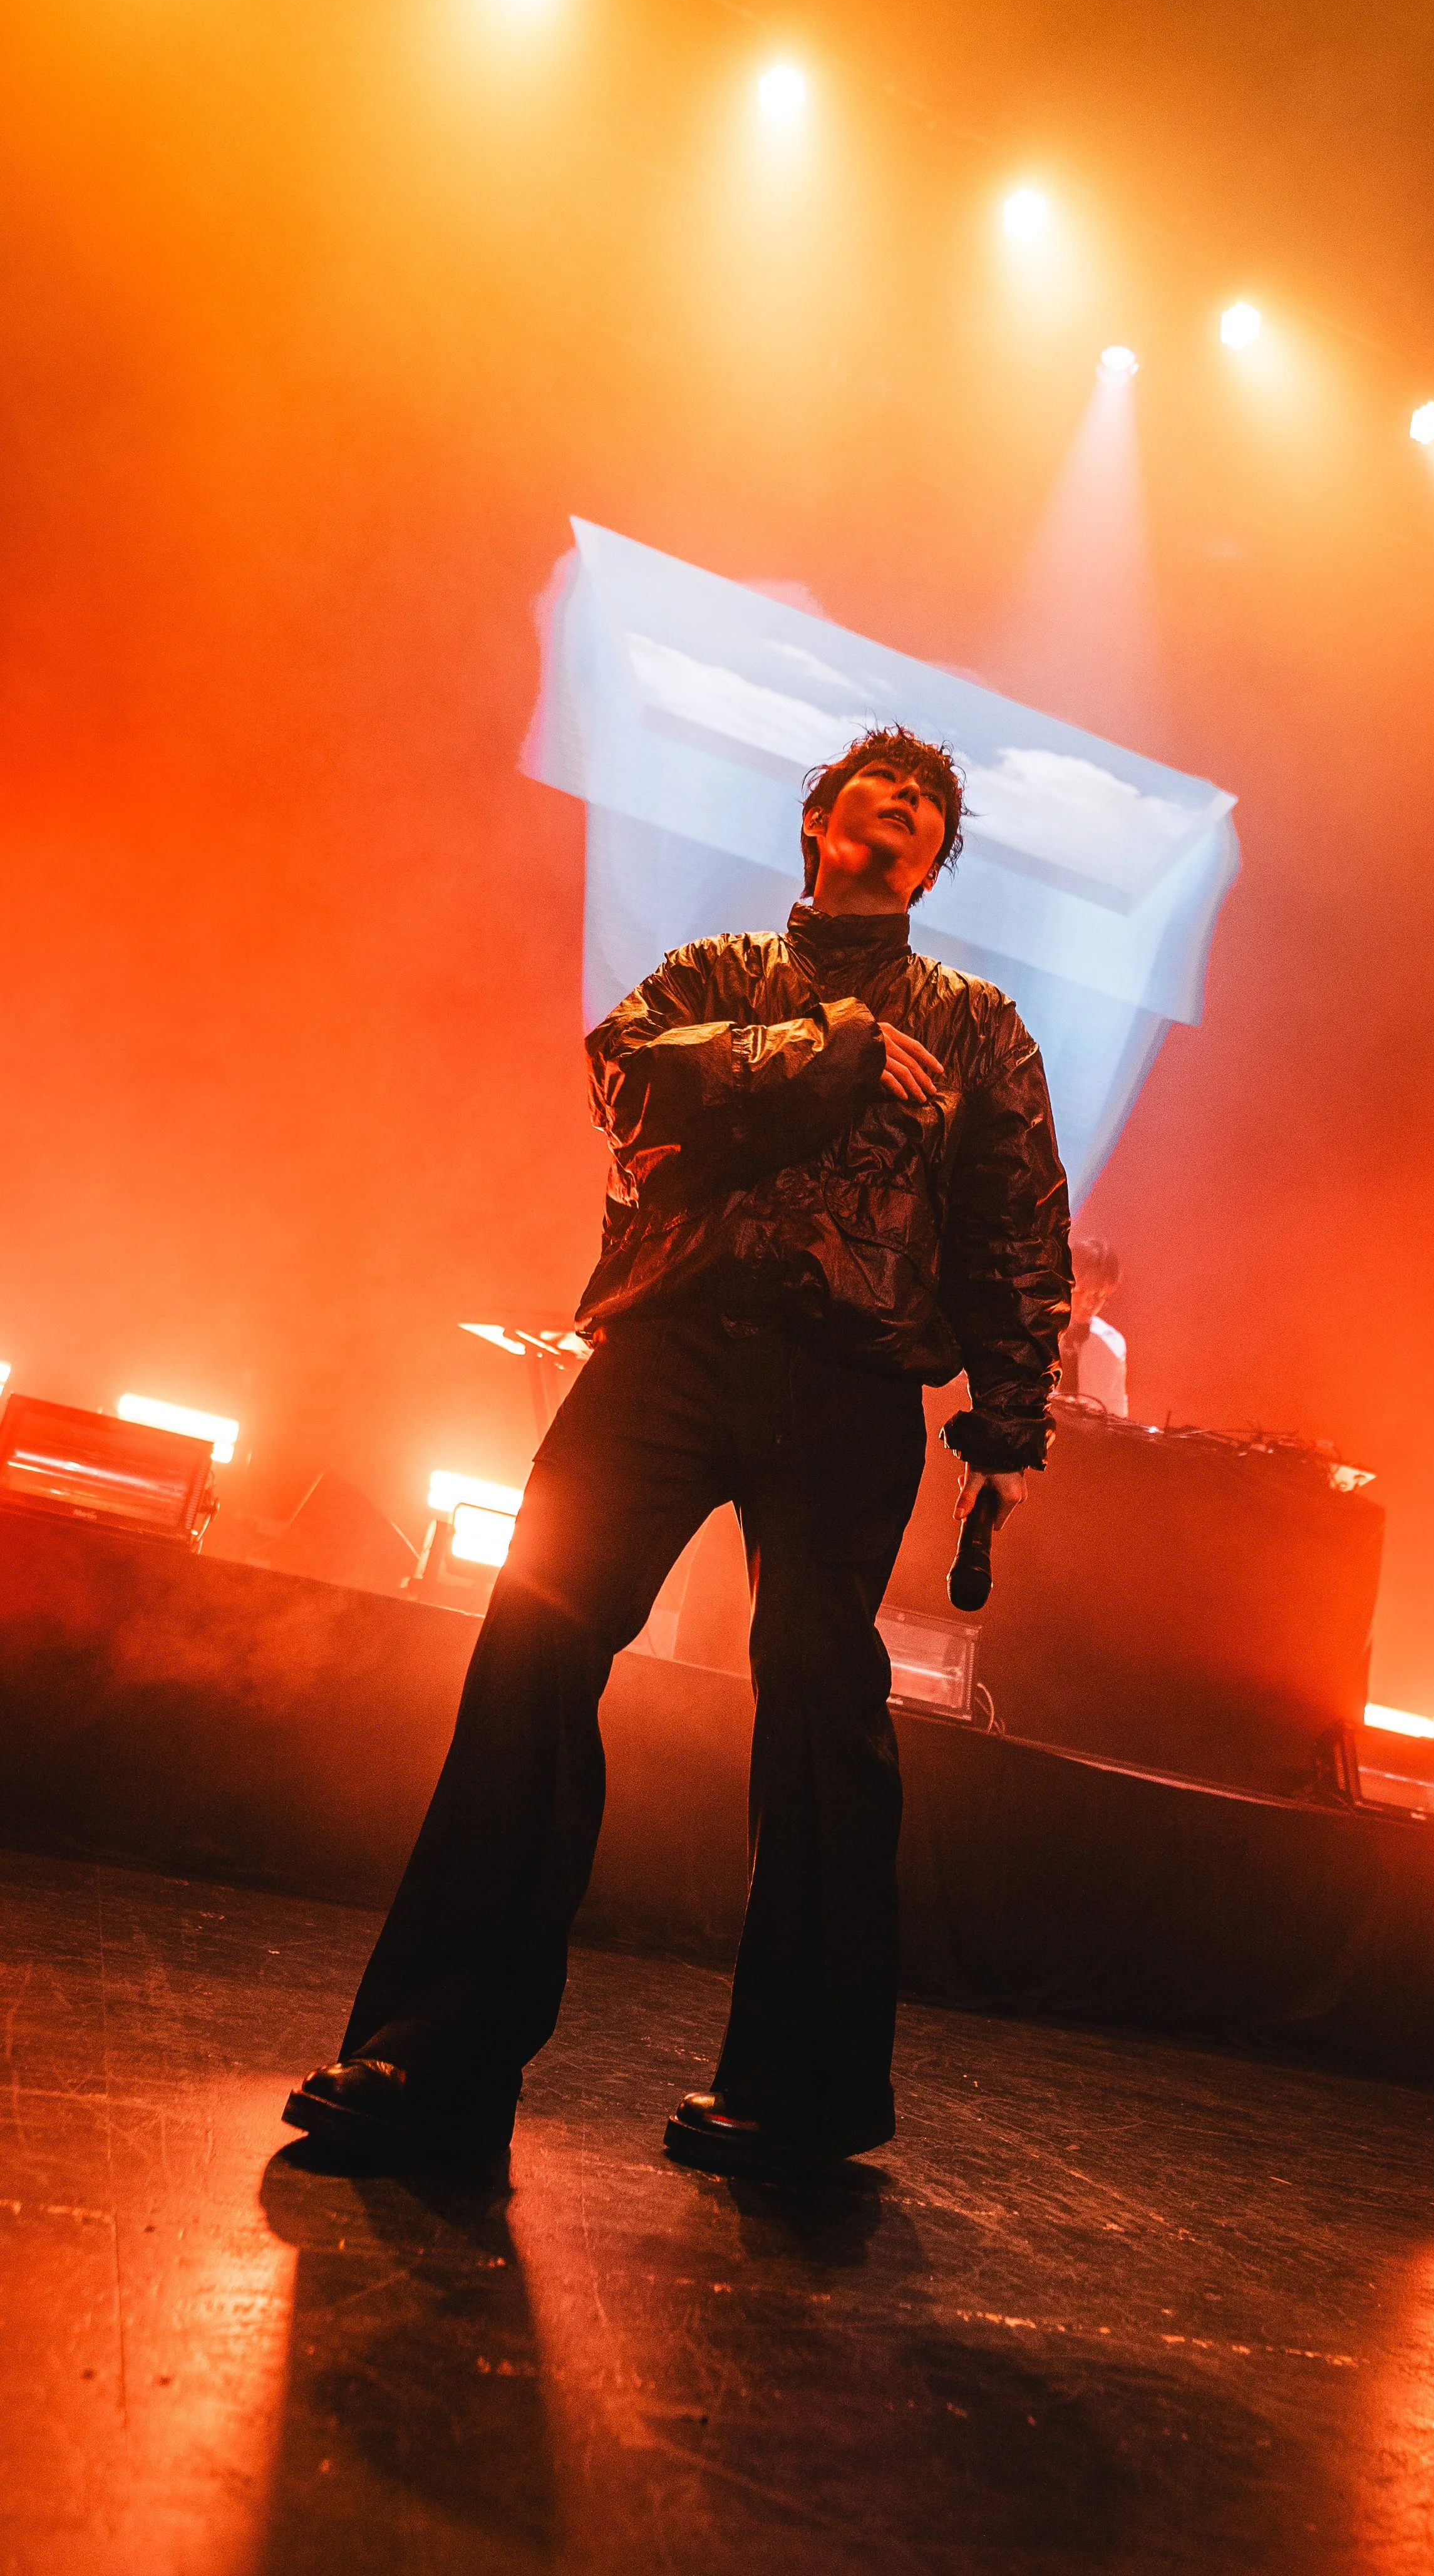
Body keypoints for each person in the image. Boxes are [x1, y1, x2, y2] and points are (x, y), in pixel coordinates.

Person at [284, 726, 1072, 2175]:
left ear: (930, 863)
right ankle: (434, 2050)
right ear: (819, 822)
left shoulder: (974, 1025)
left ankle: (805, 2091)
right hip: (668, 1347)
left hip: (845, 1385)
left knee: (821, 1698)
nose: (900, 806)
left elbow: (1018, 1230)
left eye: (927, 807)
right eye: (876, 789)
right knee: (532, 1640)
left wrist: (1007, 1422)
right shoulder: (717, 978)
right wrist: (825, 1043)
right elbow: (629, 1082)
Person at [1058, 1237, 1128, 1416]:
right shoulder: (1033, 1328)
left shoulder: (1112, 1343)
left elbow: (1117, 1412)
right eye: (1080, 1291)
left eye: (1099, 1296)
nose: (1089, 1304)